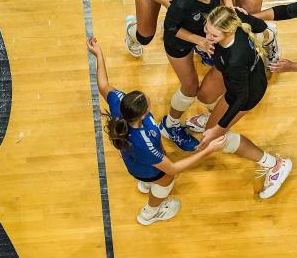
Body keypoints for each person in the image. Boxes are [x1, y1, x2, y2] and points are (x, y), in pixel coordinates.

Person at [87, 37, 226, 224]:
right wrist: (209, 150)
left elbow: (103, 85)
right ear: (144, 114)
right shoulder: (143, 142)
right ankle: (150, 212)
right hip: (146, 167)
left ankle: (146, 184)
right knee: (167, 179)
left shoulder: (119, 104)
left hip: (137, 161)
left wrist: (99, 55)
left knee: (156, 172)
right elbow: (173, 168)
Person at [194, 7, 293, 199]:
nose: (207, 35)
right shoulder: (234, 18)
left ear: (229, 31)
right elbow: (262, 25)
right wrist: (245, 14)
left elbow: (240, 98)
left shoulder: (235, 60)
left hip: (245, 94)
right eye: (206, 29)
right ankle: (213, 120)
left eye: (212, 34)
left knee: (214, 139)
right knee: (208, 105)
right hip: (243, 80)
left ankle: (275, 164)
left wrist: (218, 128)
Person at [157, 0, 232, 151]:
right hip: (179, 41)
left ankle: (210, 110)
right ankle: (170, 125)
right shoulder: (182, 3)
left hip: (203, 33)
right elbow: (171, 28)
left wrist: (230, 8)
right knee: (190, 87)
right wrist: (199, 41)